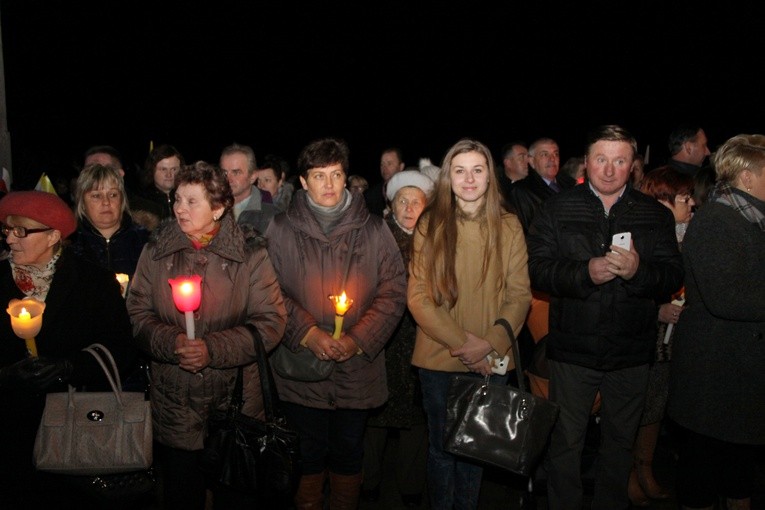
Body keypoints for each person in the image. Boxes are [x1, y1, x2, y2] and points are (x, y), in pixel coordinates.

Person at [526, 125, 684, 509]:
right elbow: (537, 270)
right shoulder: (558, 207)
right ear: (587, 160)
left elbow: (673, 274)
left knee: (619, 446)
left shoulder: (653, 214)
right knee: (565, 445)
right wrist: (584, 273)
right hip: (573, 351)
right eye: (601, 159)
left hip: (630, 353)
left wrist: (639, 271)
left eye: (619, 161)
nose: (609, 170)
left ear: (633, 165)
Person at [126, 161, 287, 510]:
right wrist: (173, 343)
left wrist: (212, 349)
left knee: (234, 494)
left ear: (218, 208)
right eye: (178, 199)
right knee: (182, 494)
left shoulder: (250, 254)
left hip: (234, 402)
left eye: (192, 201)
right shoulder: (157, 250)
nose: (179, 209)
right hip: (175, 401)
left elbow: (271, 322)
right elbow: (137, 313)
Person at [264, 138, 407, 510]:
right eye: (318, 175)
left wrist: (357, 339)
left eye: (336, 174)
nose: (329, 184)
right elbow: (269, 291)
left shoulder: (374, 230)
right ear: (303, 181)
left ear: (346, 178)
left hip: (357, 369)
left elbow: (394, 292)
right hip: (300, 371)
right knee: (307, 454)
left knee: (348, 453)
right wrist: (307, 333)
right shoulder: (280, 230)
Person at [407, 138, 532, 510]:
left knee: (476, 453)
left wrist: (490, 343)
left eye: (478, 170)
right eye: (460, 170)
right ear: (448, 177)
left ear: (490, 177)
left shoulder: (508, 226)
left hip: (492, 360)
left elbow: (520, 295)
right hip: (439, 358)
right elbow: (418, 298)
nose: (469, 178)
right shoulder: (430, 224)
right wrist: (467, 346)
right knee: (443, 452)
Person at [0, 190, 137, 508]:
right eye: (7, 230)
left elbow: (122, 348)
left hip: (75, 435)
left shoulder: (93, 282)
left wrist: (69, 367)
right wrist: (6, 375)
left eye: (21, 231)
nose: (10, 240)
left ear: (53, 236)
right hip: (9, 437)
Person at [667, 134, 765, 510]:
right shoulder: (716, 222)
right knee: (702, 470)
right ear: (746, 176)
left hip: (741, 371)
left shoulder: (753, 219)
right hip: (715, 374)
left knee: (738, 467)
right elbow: (727, 298)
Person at [361, 169, 434, 507]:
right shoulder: (376, 237)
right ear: (392, 204)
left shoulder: (435, 240)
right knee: (375, 412)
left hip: (422, 338)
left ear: (426, 205)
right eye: (402, 200)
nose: (408, 208)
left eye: (415, 201)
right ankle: (368, 482)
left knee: (416, 418)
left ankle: (411, 487)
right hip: (382, 339)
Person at [627, 166, 693, 506]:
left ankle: (646, 470)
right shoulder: (644, 236)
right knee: (638, 407)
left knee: (656, 407)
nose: (692, 203)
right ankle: (629, 476)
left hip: (670, 343)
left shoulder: (687, 235)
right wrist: (657, 310)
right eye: (684, 198)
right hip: (642, 338)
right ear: (663, 201)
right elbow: (626, 291)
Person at [70, 163, 150, 277]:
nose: (106, 202)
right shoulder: (70, 246)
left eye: (113, 195)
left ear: (122, 199)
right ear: (82, 203)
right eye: (96, 196)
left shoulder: (146, 241)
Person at [84, 144, 163, 230]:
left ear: (120, 173)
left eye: (102, 169)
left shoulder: (149, 211)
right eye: (89, 170)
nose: (95, 175)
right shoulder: (78, 213)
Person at [509, 137, 577, 234]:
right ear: (532, 161)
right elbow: (528, 232)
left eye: (556, 154)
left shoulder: (571, 186)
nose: (552, 159)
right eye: (544, 154)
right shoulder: (521, 191)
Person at [219, 143, 280, 234]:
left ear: (253, 176)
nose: (228, 179)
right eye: (224, 173)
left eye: (236, 172)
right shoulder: (209, 208)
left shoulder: (272, 218)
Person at [140, 143, 185, 221]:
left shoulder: (188, 198)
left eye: (174, 169)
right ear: (152, 170)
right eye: (163, 169)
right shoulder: (142, 202)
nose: (169, 175)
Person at [365, 146, 405, 216]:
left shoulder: (411, 193)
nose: (384, 168)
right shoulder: (370, 196)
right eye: (382, 164)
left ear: (401, 167)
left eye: (389, 163)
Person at [496, 141, 529, 206]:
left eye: (528, 157)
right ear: (508, 163)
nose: (528, 161)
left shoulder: (537, 185)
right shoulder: (496, 191)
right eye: (521, 157)